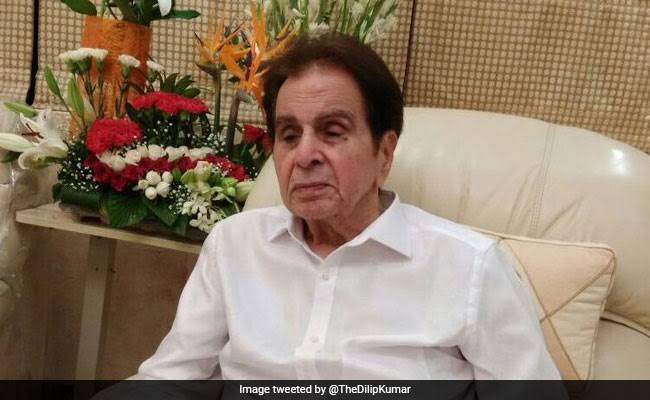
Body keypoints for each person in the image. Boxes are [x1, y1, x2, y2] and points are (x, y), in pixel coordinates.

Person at [137, 34, 561, 381]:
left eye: (332, 131)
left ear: (385, 153)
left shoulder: (470, 267)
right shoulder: (235, 244)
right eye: (289, 135)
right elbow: (171, 378)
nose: (305, 155)